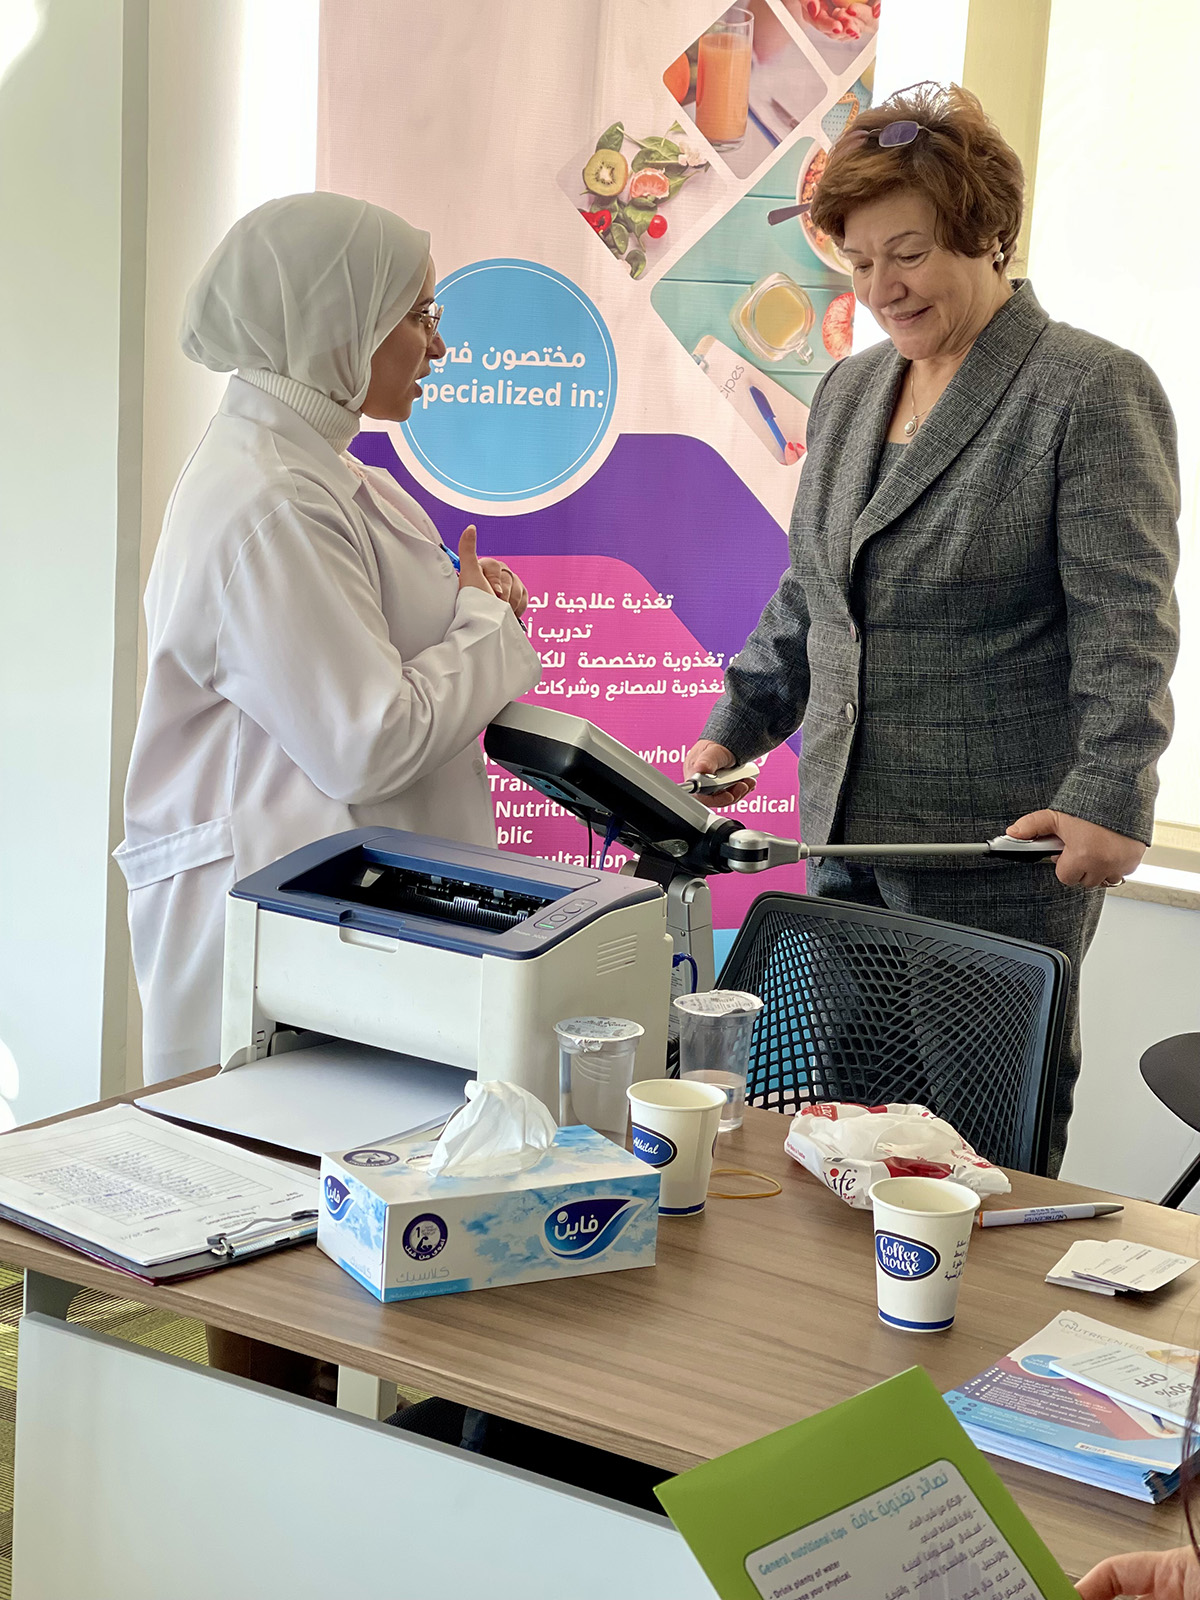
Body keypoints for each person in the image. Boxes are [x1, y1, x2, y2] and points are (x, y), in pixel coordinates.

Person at [684, 83, 1179, 1174]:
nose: (880, 289)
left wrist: (1111, 794)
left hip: (995, 854)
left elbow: (1128, 625)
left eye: (906, 254)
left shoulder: (1088, 389)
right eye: (858, 262)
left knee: (972, 1163)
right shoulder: (853, 389)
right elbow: (815, 588)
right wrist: (738, 723)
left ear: (987, 232)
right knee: (844, 1147)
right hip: (844, 843)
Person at [116, 191, 541, 1086]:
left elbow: (397, 643)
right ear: (336, 321)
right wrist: (482, 624)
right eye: (419, 316)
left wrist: (473, 608)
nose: (439, 346)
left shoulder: (324, 474)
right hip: (285, 932)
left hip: (345, 919)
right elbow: (368, 741)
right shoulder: (272, 502)